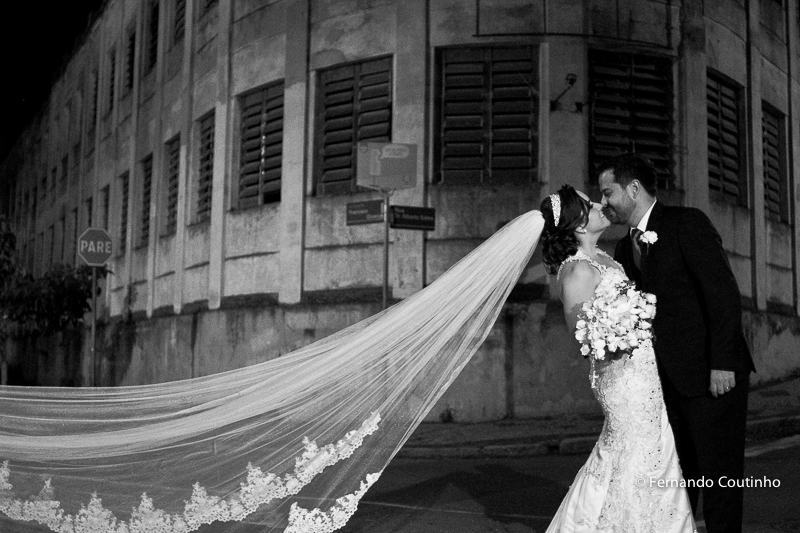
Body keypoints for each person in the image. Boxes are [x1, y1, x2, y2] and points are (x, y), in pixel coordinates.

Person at [598, 153, 755, 533]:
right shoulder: (623, 249)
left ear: (633, 189)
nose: (604, 203)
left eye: (608, 193)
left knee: (720, 478)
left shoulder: (686, 223)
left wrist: (722, 363)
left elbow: (722, 294)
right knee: (680, 479)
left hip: (711, 376)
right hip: (663, 384)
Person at [541, 184, 696, 533]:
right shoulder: (577, 270)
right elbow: (582, 336)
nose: (598, 204)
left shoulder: (608, 259)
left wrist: (636, 317)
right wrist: (621, 331)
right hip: (620, 376)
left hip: (643, 370)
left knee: (650, 448)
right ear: (578, 224)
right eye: (588, 204)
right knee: (633, 450)